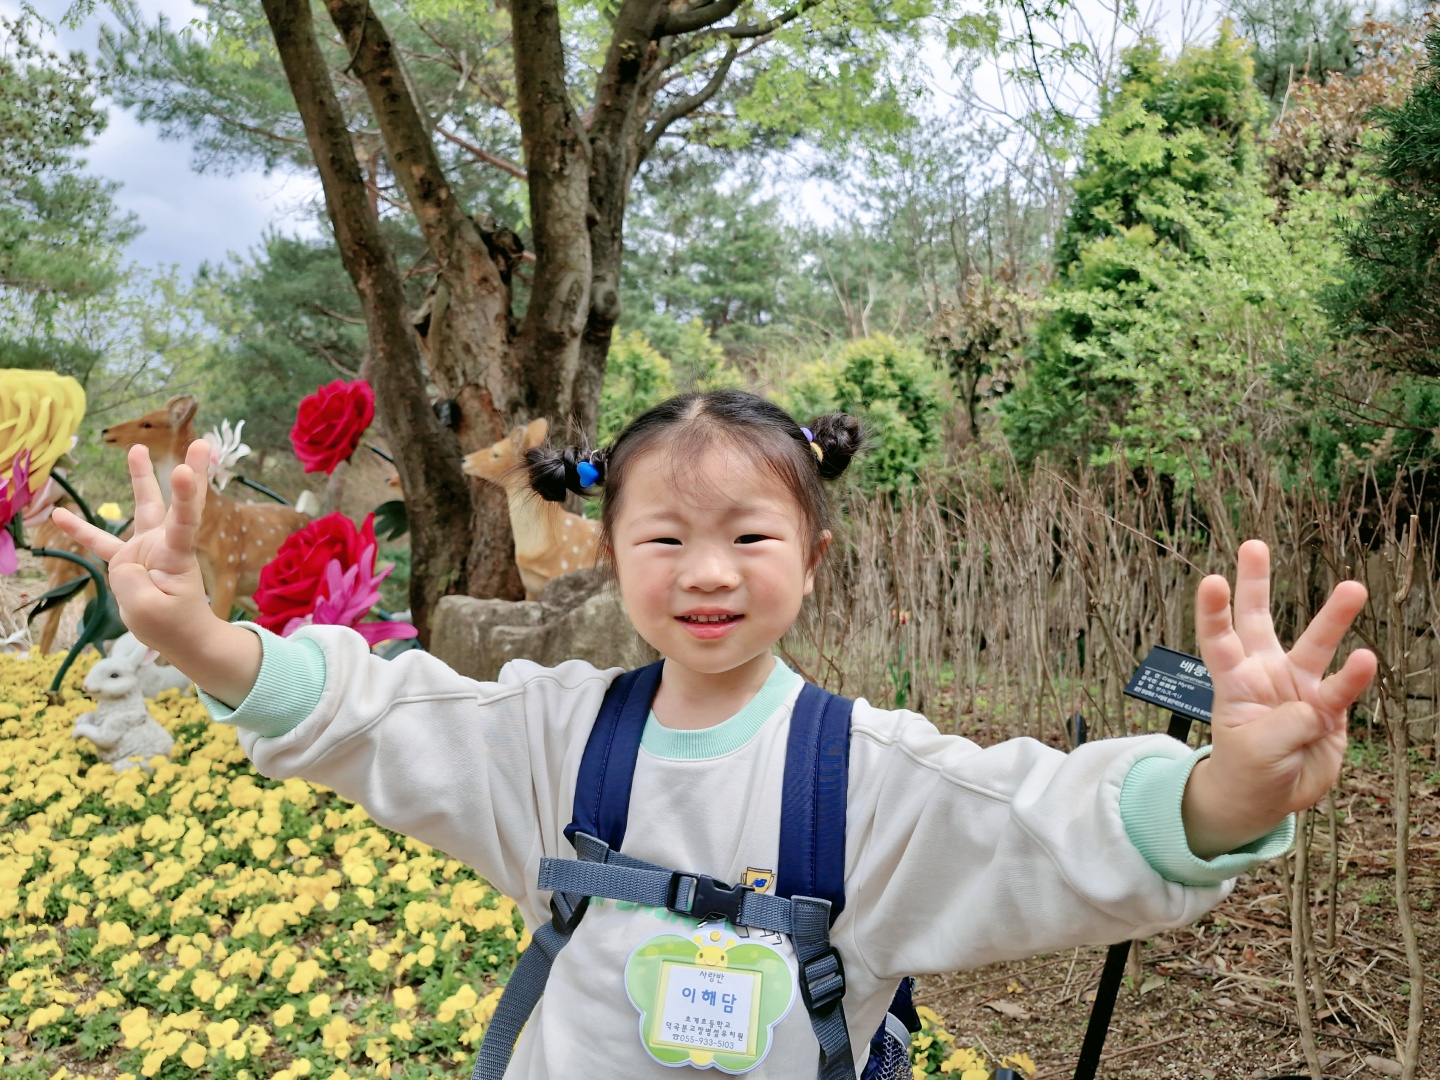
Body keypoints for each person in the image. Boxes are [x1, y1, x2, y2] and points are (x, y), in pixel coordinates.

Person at [52, 390, 1377, 1079]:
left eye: (749, 534)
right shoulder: (553, 740)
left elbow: (1039, 826)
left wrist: (1227, 793)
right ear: (608, 549)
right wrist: (197, 637)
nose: (706, 571)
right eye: (663, 538)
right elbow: (379, 718)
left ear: (813, 556)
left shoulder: (863, 778)